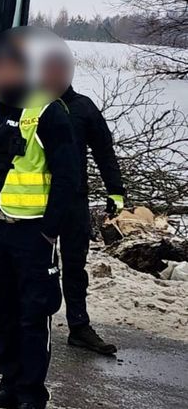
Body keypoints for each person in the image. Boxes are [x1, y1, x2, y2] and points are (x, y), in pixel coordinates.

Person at [0, 32, 81, 409]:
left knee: (34, 315)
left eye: (8, 67)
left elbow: (69, 177)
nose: (0, 75)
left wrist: (51, 231)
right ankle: (8, 385)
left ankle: (31, 396)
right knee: (2, 312)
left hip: (34, 233)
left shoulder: (49, 111)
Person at [41, 57, 126, 355]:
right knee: (37, 264)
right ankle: (33, 322)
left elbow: (104, 150)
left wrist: (116, 191)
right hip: (39, 202)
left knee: (75, 265)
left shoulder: (83, 107)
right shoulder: (30, 107)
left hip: (75, 201)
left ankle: (79, 326)